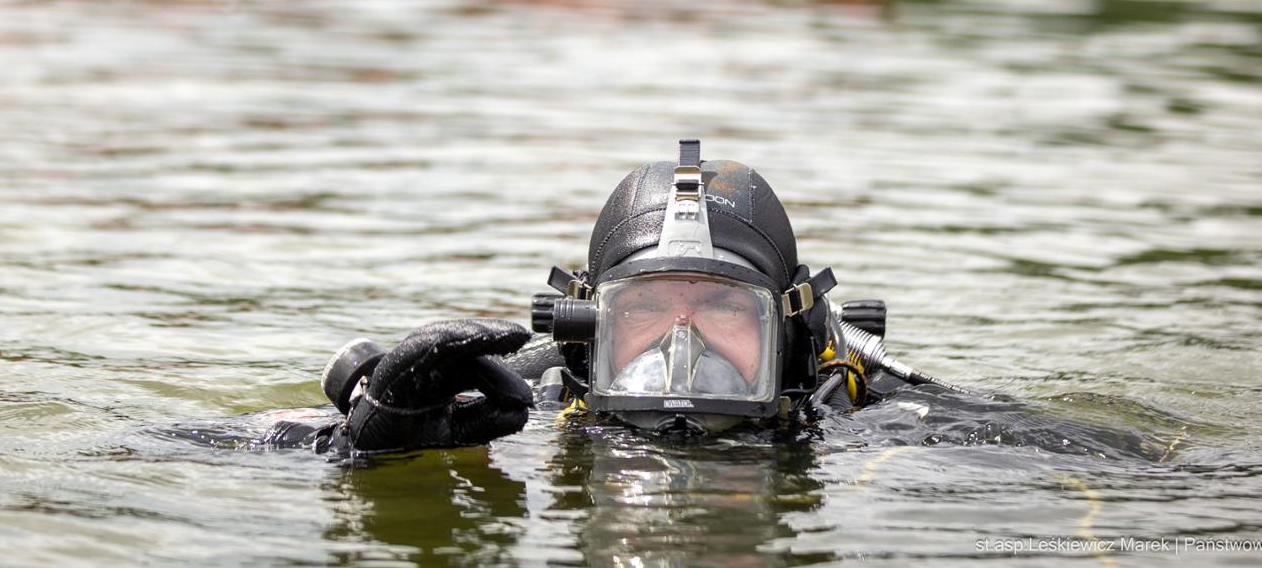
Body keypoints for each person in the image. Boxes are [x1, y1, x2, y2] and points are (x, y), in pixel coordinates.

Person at [248, 140, 955, 458]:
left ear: (792, 338)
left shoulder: (857, 417)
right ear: (589, 332)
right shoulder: (541, 399)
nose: (685, 342)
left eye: (725, 308)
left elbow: (1060, 463)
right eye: (645, 308)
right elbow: (188, 446)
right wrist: (370, 435)